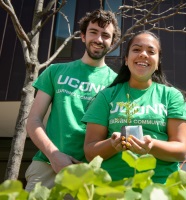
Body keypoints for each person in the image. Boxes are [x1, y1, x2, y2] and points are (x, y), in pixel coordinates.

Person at [82, 30, 186, 184]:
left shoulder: (172, 96)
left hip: (160, 188)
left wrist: (151, 145)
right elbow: (90, 152)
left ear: (158, 63)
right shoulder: (106, 96)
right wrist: (112, 144)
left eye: (151, 51)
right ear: (126, 59)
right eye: (136, 49)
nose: (143, 54)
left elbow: (181, 150)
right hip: (113, 188)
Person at [25, 9, 121, 191]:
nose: (99, 39)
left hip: (90, 173)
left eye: (105, 35)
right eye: (93, 32)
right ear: (83, 36)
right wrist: (54, 155)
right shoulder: (55, 71)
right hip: (47, 165)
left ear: (112, 42)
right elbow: (33, 121)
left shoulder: (117, 84)